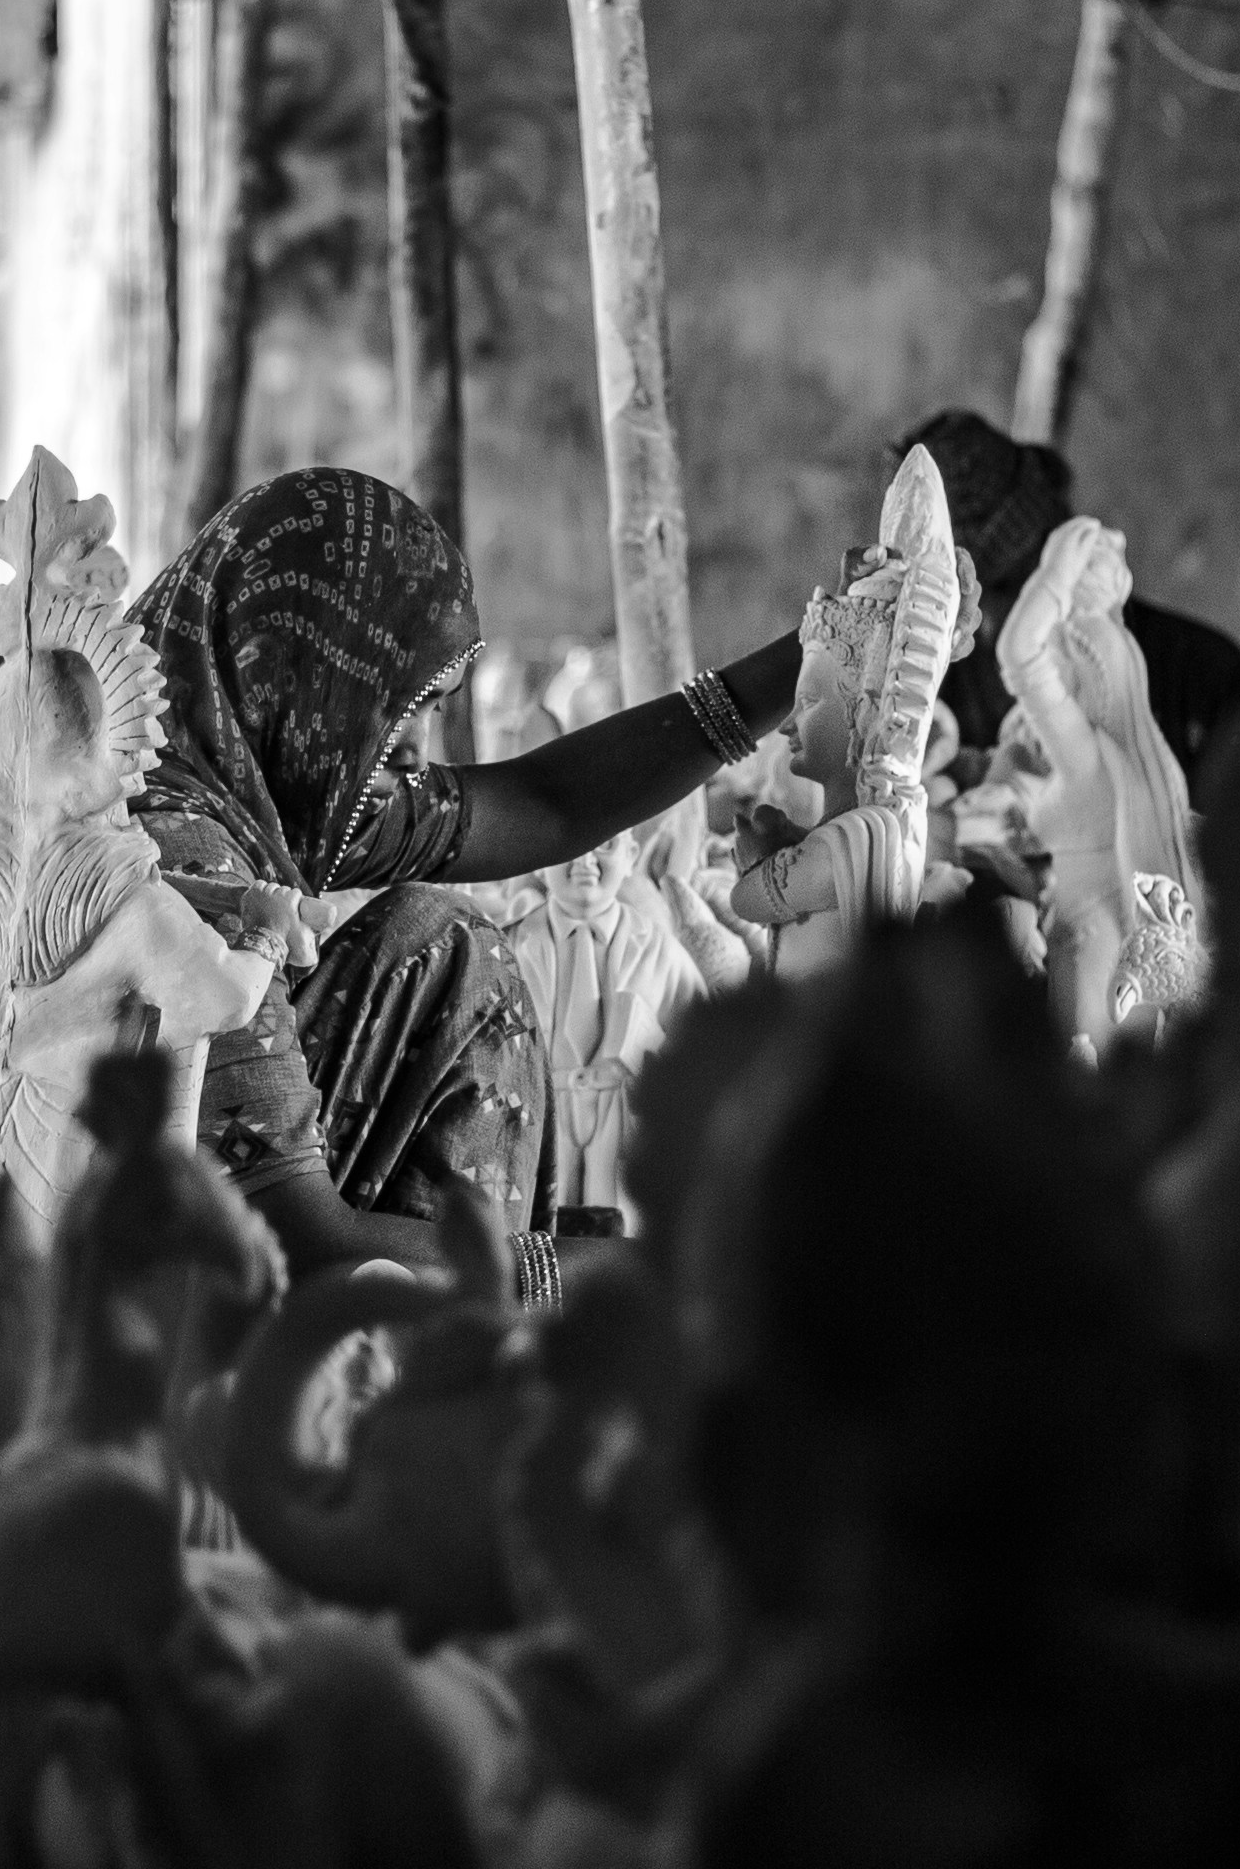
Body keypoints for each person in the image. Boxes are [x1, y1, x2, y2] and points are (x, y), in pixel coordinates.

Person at [129, 469, 806, 1285]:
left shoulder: (253, 776)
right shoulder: (185, 869)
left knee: (438, 951)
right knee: (450, 957)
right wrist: (665, 1275)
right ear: (299, 672)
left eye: (434, 706)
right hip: (181, 1293)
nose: (416, 748)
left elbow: (545, 803)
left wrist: (809, 657)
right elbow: (307, 1239)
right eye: (398, 705)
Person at [895, 410, 1240, 797]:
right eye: (959, 604)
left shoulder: (1205, 681)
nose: (985, 625)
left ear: (1066, 547)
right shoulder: (936, 695)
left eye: (1019, 584)